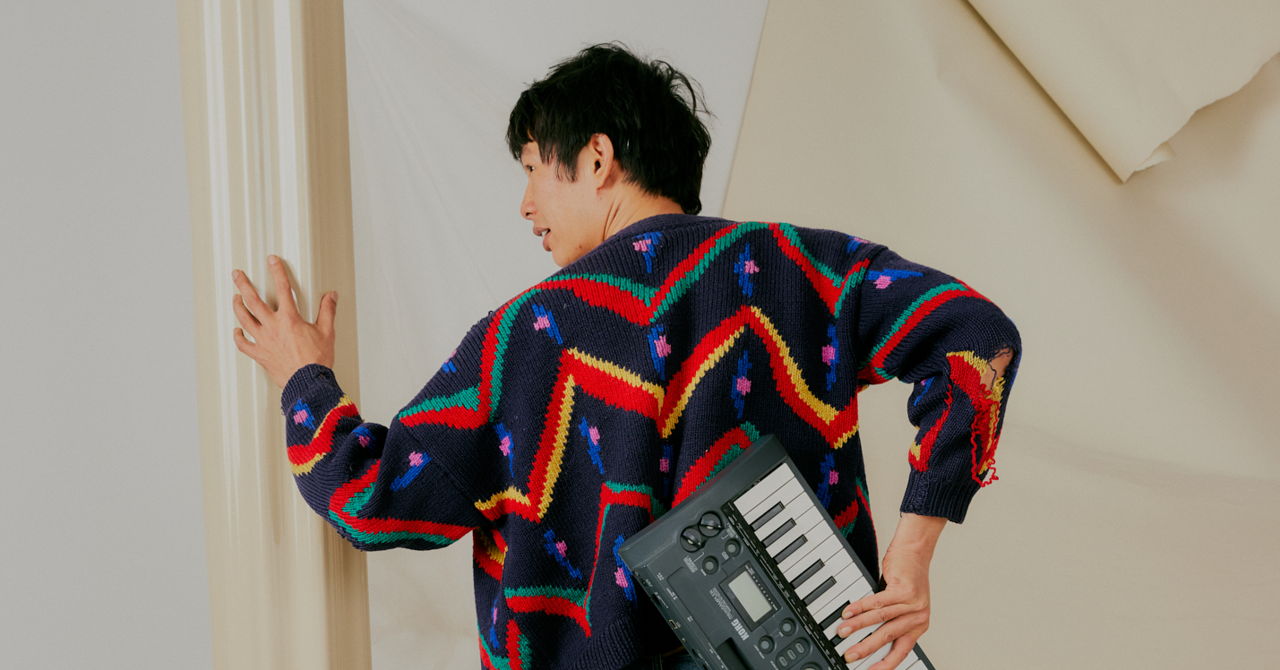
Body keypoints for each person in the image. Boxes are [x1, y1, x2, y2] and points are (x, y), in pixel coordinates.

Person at [231, 42, 1021, 670]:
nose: (526, 205)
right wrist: (912, 555)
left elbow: (375, 501)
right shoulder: (801, 269)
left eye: (534, 169)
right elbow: (976, 336)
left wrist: (303, 380)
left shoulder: (525, 337)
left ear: (598, 157)